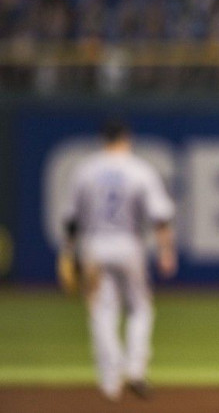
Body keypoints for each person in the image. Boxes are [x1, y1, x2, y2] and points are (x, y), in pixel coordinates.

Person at [57, 119, 177, 401]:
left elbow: (71, 219)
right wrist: (166, 251)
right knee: (140, 308)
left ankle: (110, 383)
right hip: (128, 245)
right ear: (127, 138)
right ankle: (135, 369)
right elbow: (160, 216)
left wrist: (67, 251)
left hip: (94, 246)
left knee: (102, 310)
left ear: (103, 139)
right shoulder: (139, 169)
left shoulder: (86, 169)